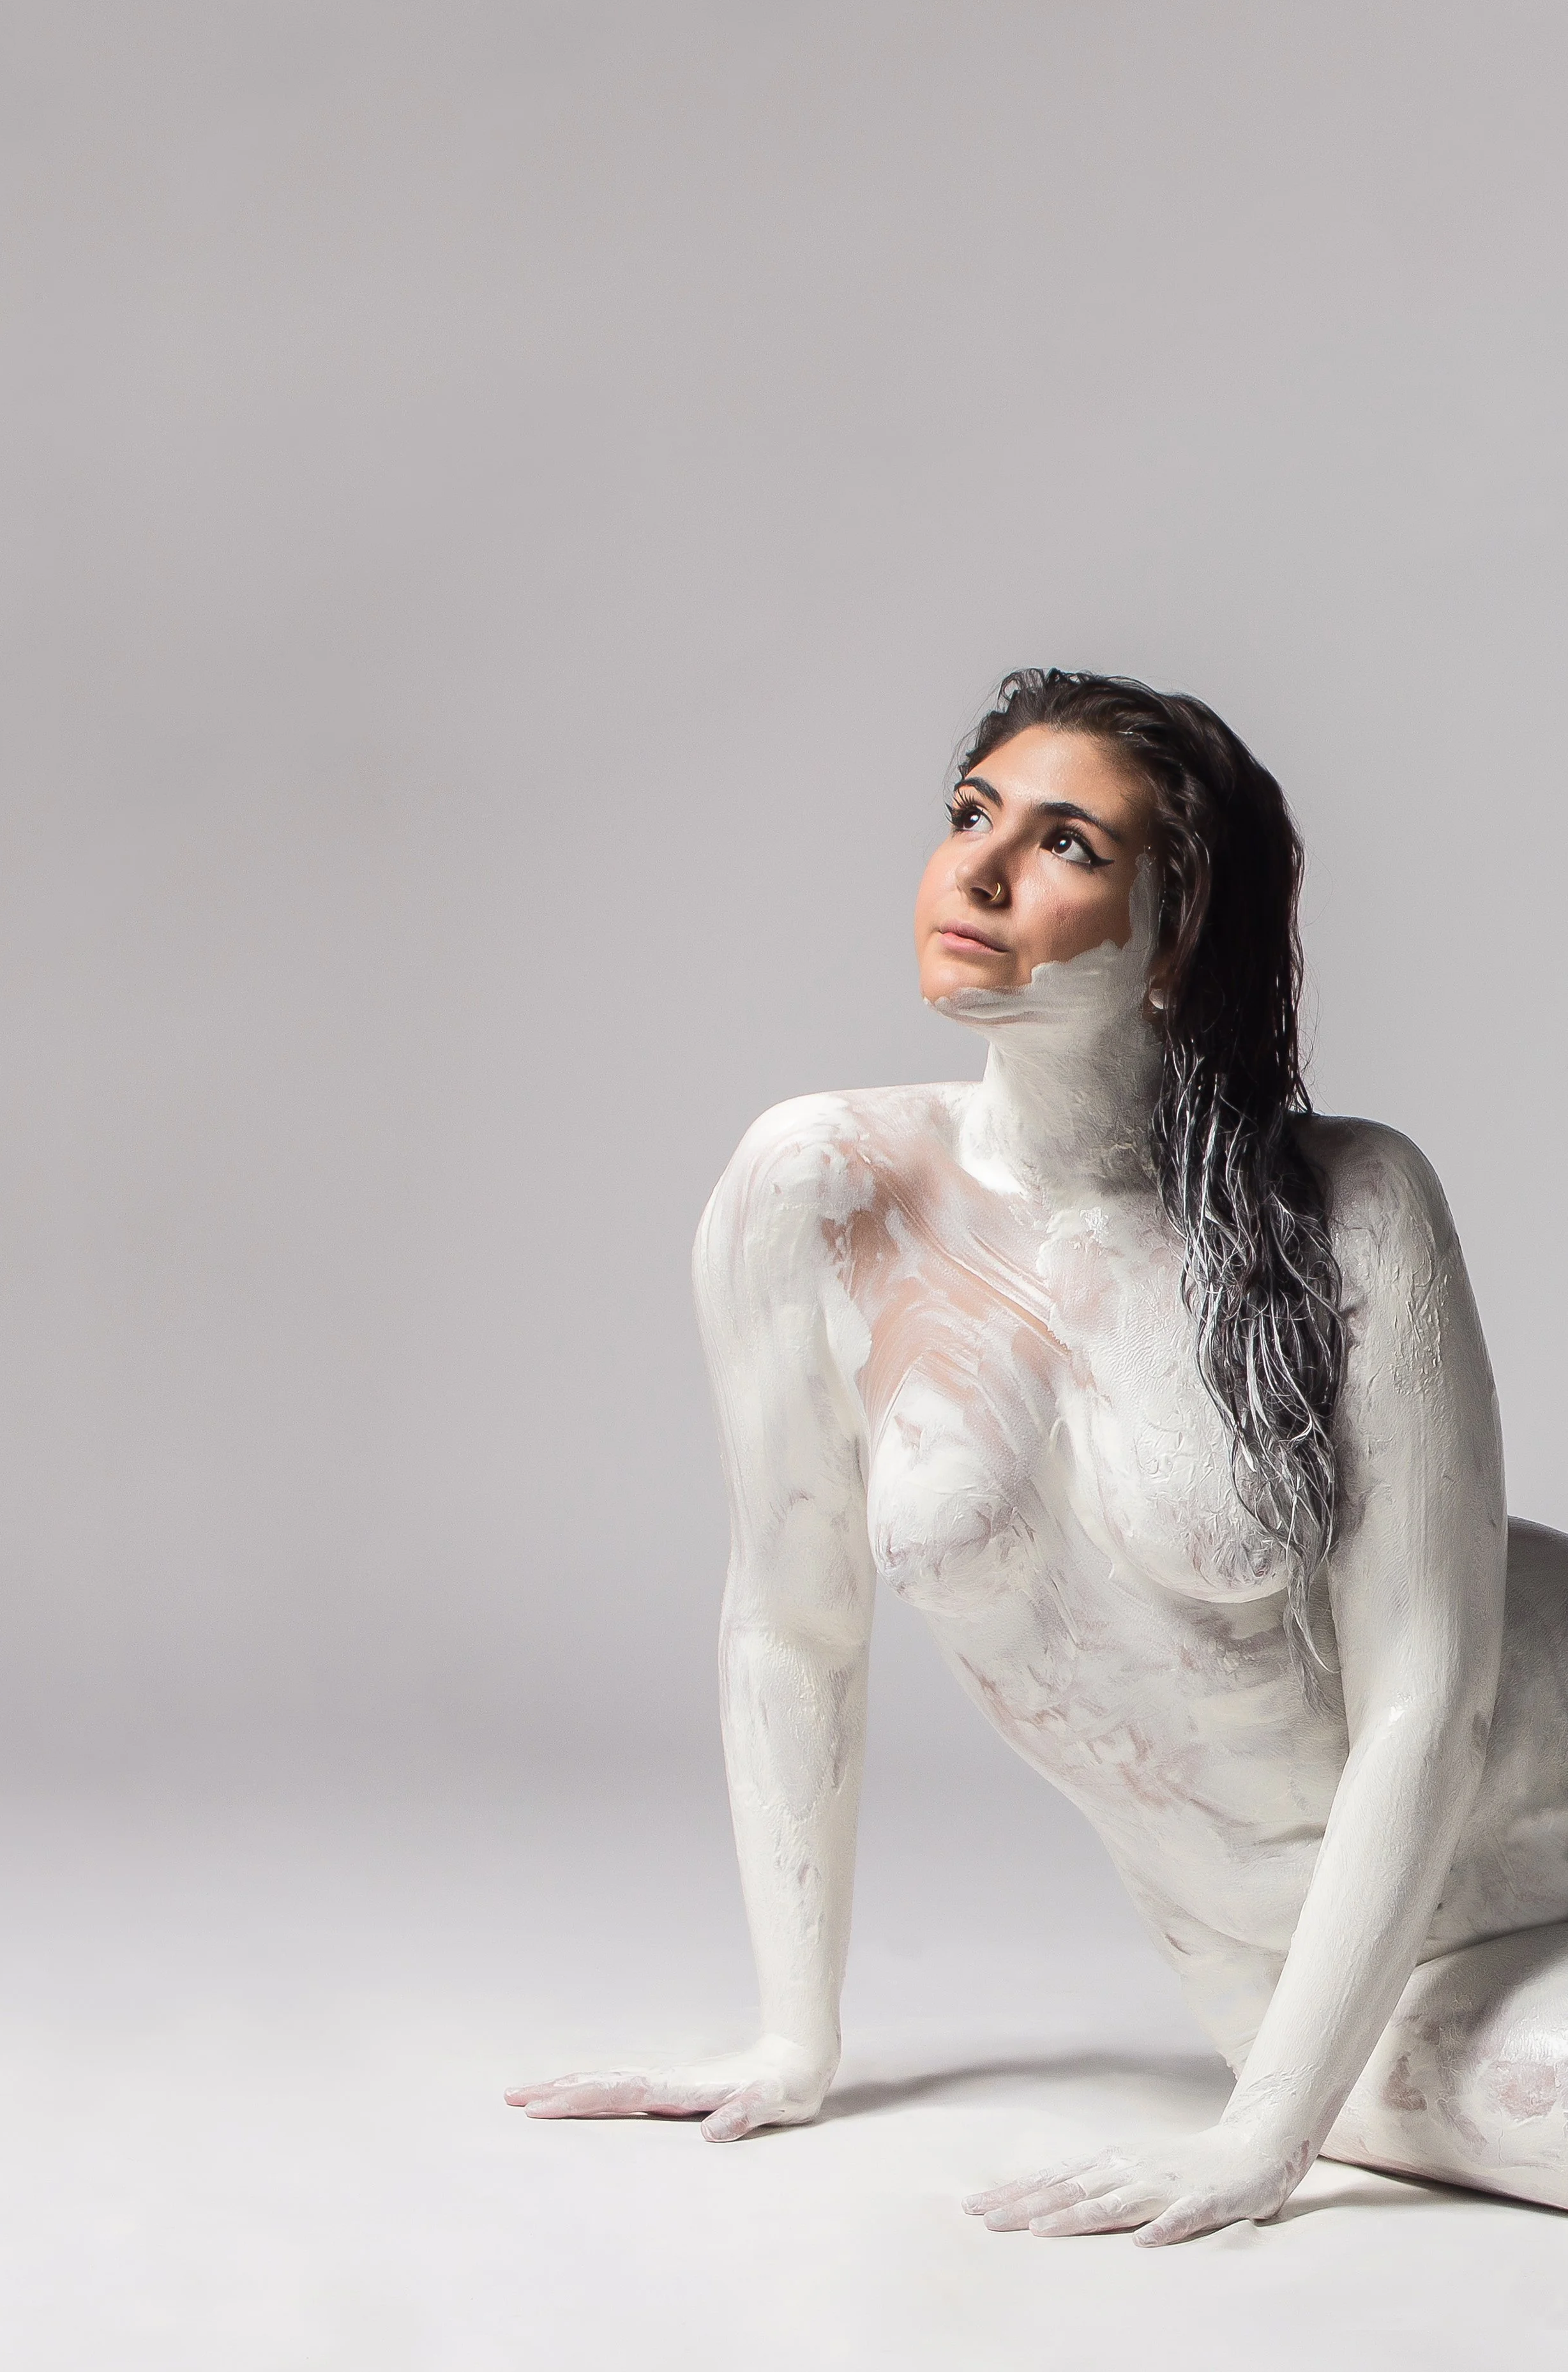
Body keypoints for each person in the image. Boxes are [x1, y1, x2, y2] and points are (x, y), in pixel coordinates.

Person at [508, 669, 1568, 2244]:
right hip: (1320, 1956)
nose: (978, 873)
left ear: (1179, 928)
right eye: (966, 816)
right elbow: (791, 1621)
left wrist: (1264, 2140)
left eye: (1065, 841)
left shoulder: (1352, 1204)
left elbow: (1429, 1696)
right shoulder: (821, 1188)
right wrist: (795, 2041)